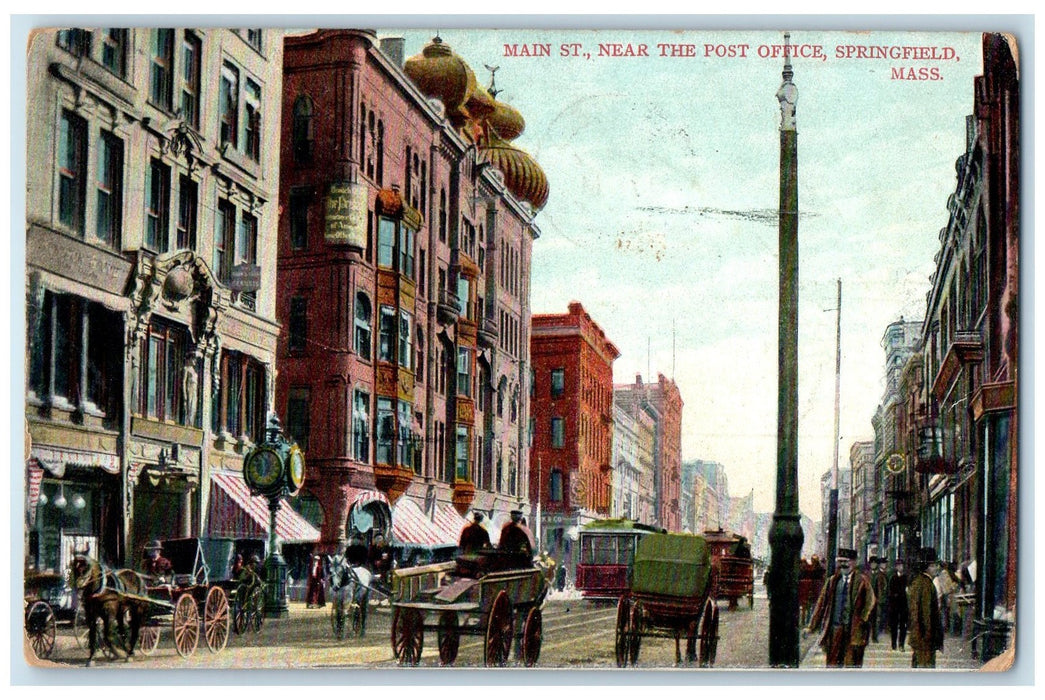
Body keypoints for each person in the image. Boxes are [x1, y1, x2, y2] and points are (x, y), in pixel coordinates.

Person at [806, 547, 876, 668]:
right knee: (832, 664)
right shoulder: (832, 581)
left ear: (854, 562)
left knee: (852, 665)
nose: (843, 565)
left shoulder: (863, 581)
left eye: (846, 561)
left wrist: (862, 619)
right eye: (840, 561)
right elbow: (820, 605)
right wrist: (811, 627)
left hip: (854, 631)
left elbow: (871, 601)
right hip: (835, 630)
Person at [908, 548, 944, 668]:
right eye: (933, 566)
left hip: (919, 636)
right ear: (926, 567)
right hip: (925, 639)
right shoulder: (927, 585)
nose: (936, 568)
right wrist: (930, 636)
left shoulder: (918, 582)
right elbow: (926, 614)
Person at [887, 558, 909, 651]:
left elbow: (908, 591)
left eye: (901, 565)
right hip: (894, 605)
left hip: (904, 605)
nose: (900, 567)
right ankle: (893, 644)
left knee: (903, 625)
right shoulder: (893, 578)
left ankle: (901, 644)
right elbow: (890, 591)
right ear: (896, 567)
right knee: (894, 626)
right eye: (898, 565)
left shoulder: (906, 578)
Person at [869, 556, 889, 643]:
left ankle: (874, 636)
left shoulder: (880, 576)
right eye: (872, 563)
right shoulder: (867, 574)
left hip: (877, 600)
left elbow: (882, 588)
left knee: (876, 619)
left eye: (874, 563)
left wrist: (881, 600)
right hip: (868, 600)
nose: (873, 565)